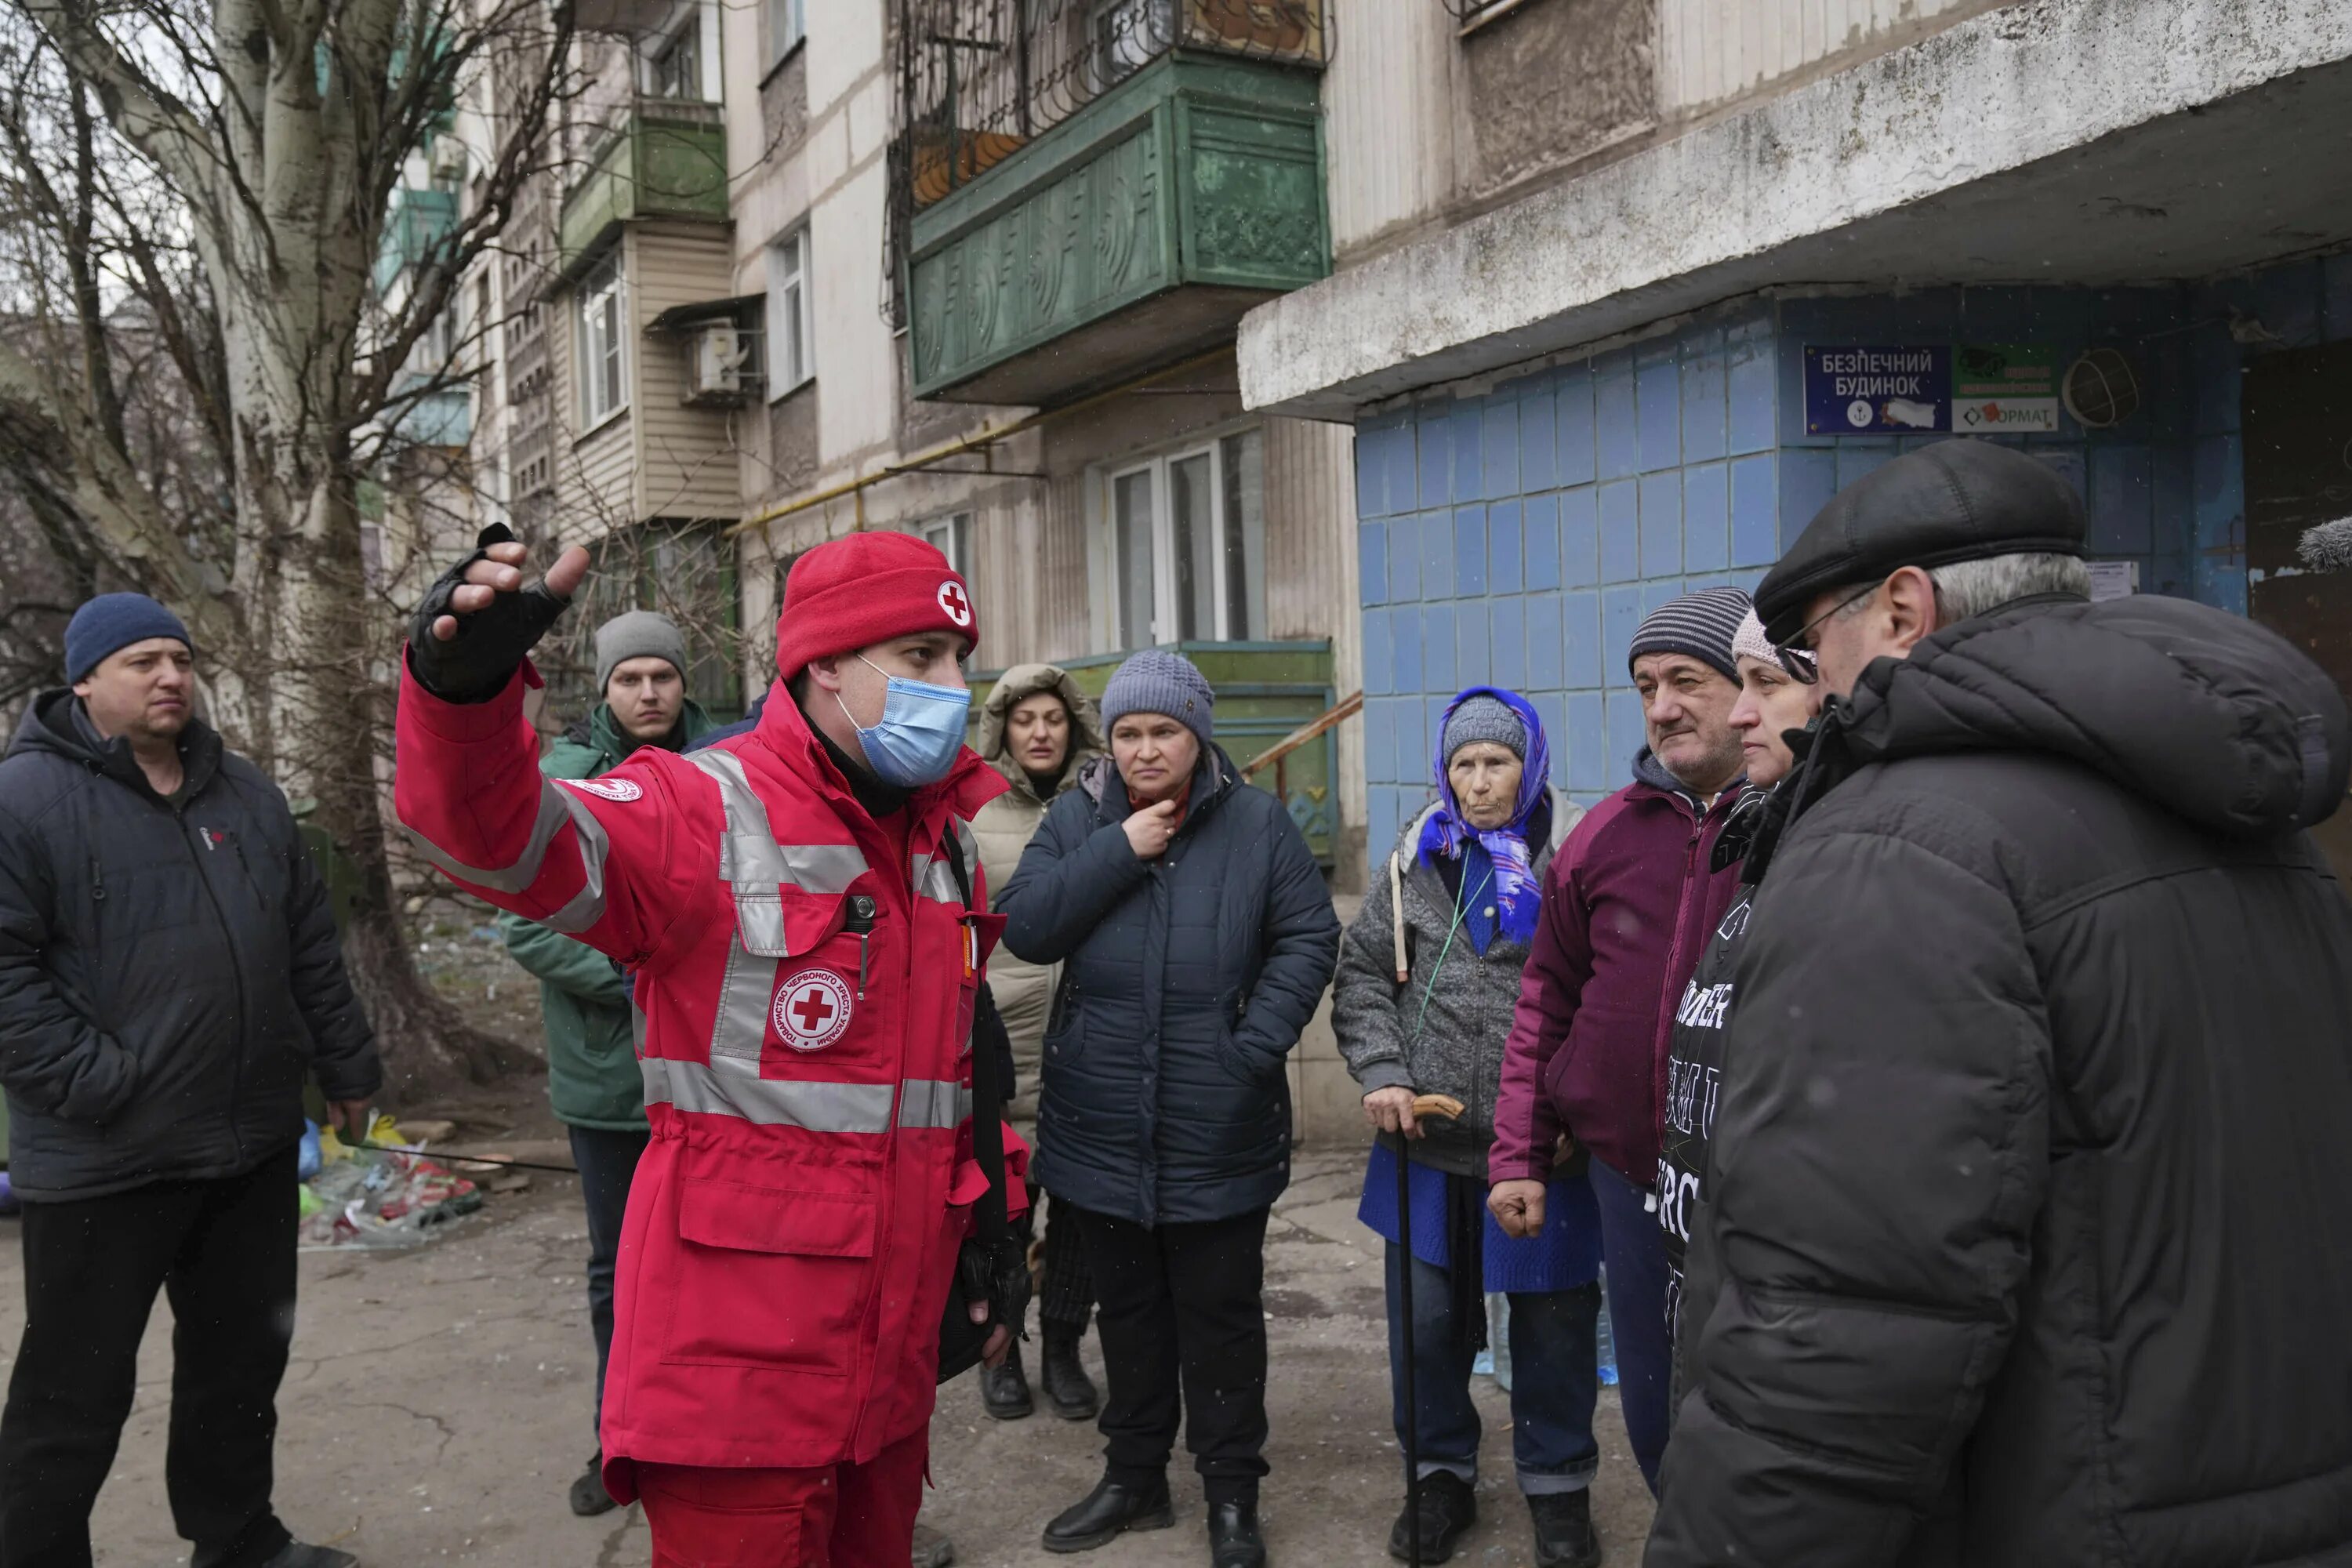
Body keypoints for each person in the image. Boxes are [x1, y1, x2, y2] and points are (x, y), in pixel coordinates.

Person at [1647, 439, 2352, 1566]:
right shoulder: (2263, 826)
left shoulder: (1897, 850)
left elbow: (1841, 1332)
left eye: (1810, 644)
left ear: (1904, 611)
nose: (1806, 685)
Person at [391, 528, 1027, 1568]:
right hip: (737, 1384)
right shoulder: (701, 806)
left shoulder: (943, 840)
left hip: (888, 1370)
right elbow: (497, 839)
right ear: (824, 664)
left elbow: (956, 1069)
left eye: (958, 657)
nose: (956, 687)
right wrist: (463, 696)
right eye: (920, 659)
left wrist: (994, 1225)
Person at [0, 593, 381, 1568]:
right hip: (105, 1156)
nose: (169, 674)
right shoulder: (21, 801)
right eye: (140, 660)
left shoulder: (245, 793)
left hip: (247, 1142)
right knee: (72, 1395)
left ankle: (238, 1536)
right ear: (85, 680)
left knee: (239, 1365)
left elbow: (308, 947)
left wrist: (345, 1065)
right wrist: (104, 1082)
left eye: (178, 656)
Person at [996, 649, 1341, 1568]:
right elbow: (1024, 923)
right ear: (1107, 739)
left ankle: (1232, 1493)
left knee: (1221, 1318)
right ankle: (1134, 1476)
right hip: (1099, 1118)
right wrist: (1119, 847)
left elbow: (1309, 937)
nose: (1146, 749)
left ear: (1198, 733)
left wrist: (1251, 1046)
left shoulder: (1259, 825)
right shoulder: (1078, 817)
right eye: (1128, 732)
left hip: (1216, 1118)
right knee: (1130, 1312)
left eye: (1165, 731)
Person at [1486, 586, 1752, 1493]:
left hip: (1759, 1191)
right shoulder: (1604, 832)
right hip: (1632, 1182)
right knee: (1655, 1410)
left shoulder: (1802, 825)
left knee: (1757, 1413)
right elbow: (1546, 998)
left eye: (1688, 678)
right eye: (1646, 684)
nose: (1663, 704)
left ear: (1749, 684)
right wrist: (1518, 1150)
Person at [1333, 688, 1606, 1568]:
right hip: (1426, 1145)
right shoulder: (1417, 862)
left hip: (1546, 1153)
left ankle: (1559, 1484)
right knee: (1426, 1328)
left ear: (1531, 767)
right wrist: (1383, 1071)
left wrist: (1575, 1107)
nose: (1479, 782)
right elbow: (1366, 974)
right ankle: (1440, 1474)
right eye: (1464, 764)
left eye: (1496, 762)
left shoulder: (1574, 860)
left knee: (1554, 1326)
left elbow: (1606, 997)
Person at [496, 609, 717, 1516]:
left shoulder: (724, 772)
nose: (650, 693)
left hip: (717, 1071)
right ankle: (617, 1434)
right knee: (617, 1267)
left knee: (713, 1266)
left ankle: (706, 1437)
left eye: (663, 675)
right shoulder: (562, 783)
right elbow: (525, 922)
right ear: (606, 687)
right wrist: (642, 969)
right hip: (612, 1078)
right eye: (631, 679)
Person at [1652, 611, 1818, 1359]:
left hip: (1771, 1280)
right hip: (1693, 1243)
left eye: (1766, 682)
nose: (1744, 710)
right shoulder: (1771, 834)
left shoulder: (1831, 853)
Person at [969, 665, 1106, 1422]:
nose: (1041, 733)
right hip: (1003, 1050)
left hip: (1086, 1048)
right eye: (1025, 721)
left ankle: (1062, 1347)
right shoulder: (973, 811)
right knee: (1003, 1219)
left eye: (1054, 718)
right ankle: (1002, 1354)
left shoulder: (1102, 806)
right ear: (1004, 732)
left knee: (1080, 1221)